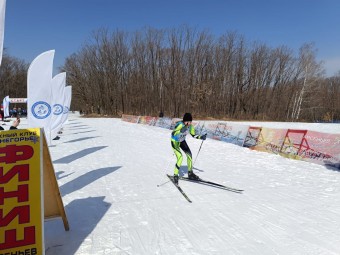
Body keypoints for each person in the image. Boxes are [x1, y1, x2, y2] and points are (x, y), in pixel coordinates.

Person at [171, 113, 207, 184]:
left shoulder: (190, 126)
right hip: (175, 142)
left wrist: (201, 137)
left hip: (182, 141)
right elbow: (173, 133)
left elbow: (193, 135)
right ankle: (175, 175)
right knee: (180, 157)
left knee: (189, 155)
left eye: (190, 121)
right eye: (188, 121)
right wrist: (180, 131)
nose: (189, 123)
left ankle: (190, 173)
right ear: (184, 121)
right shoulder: (180, 125)